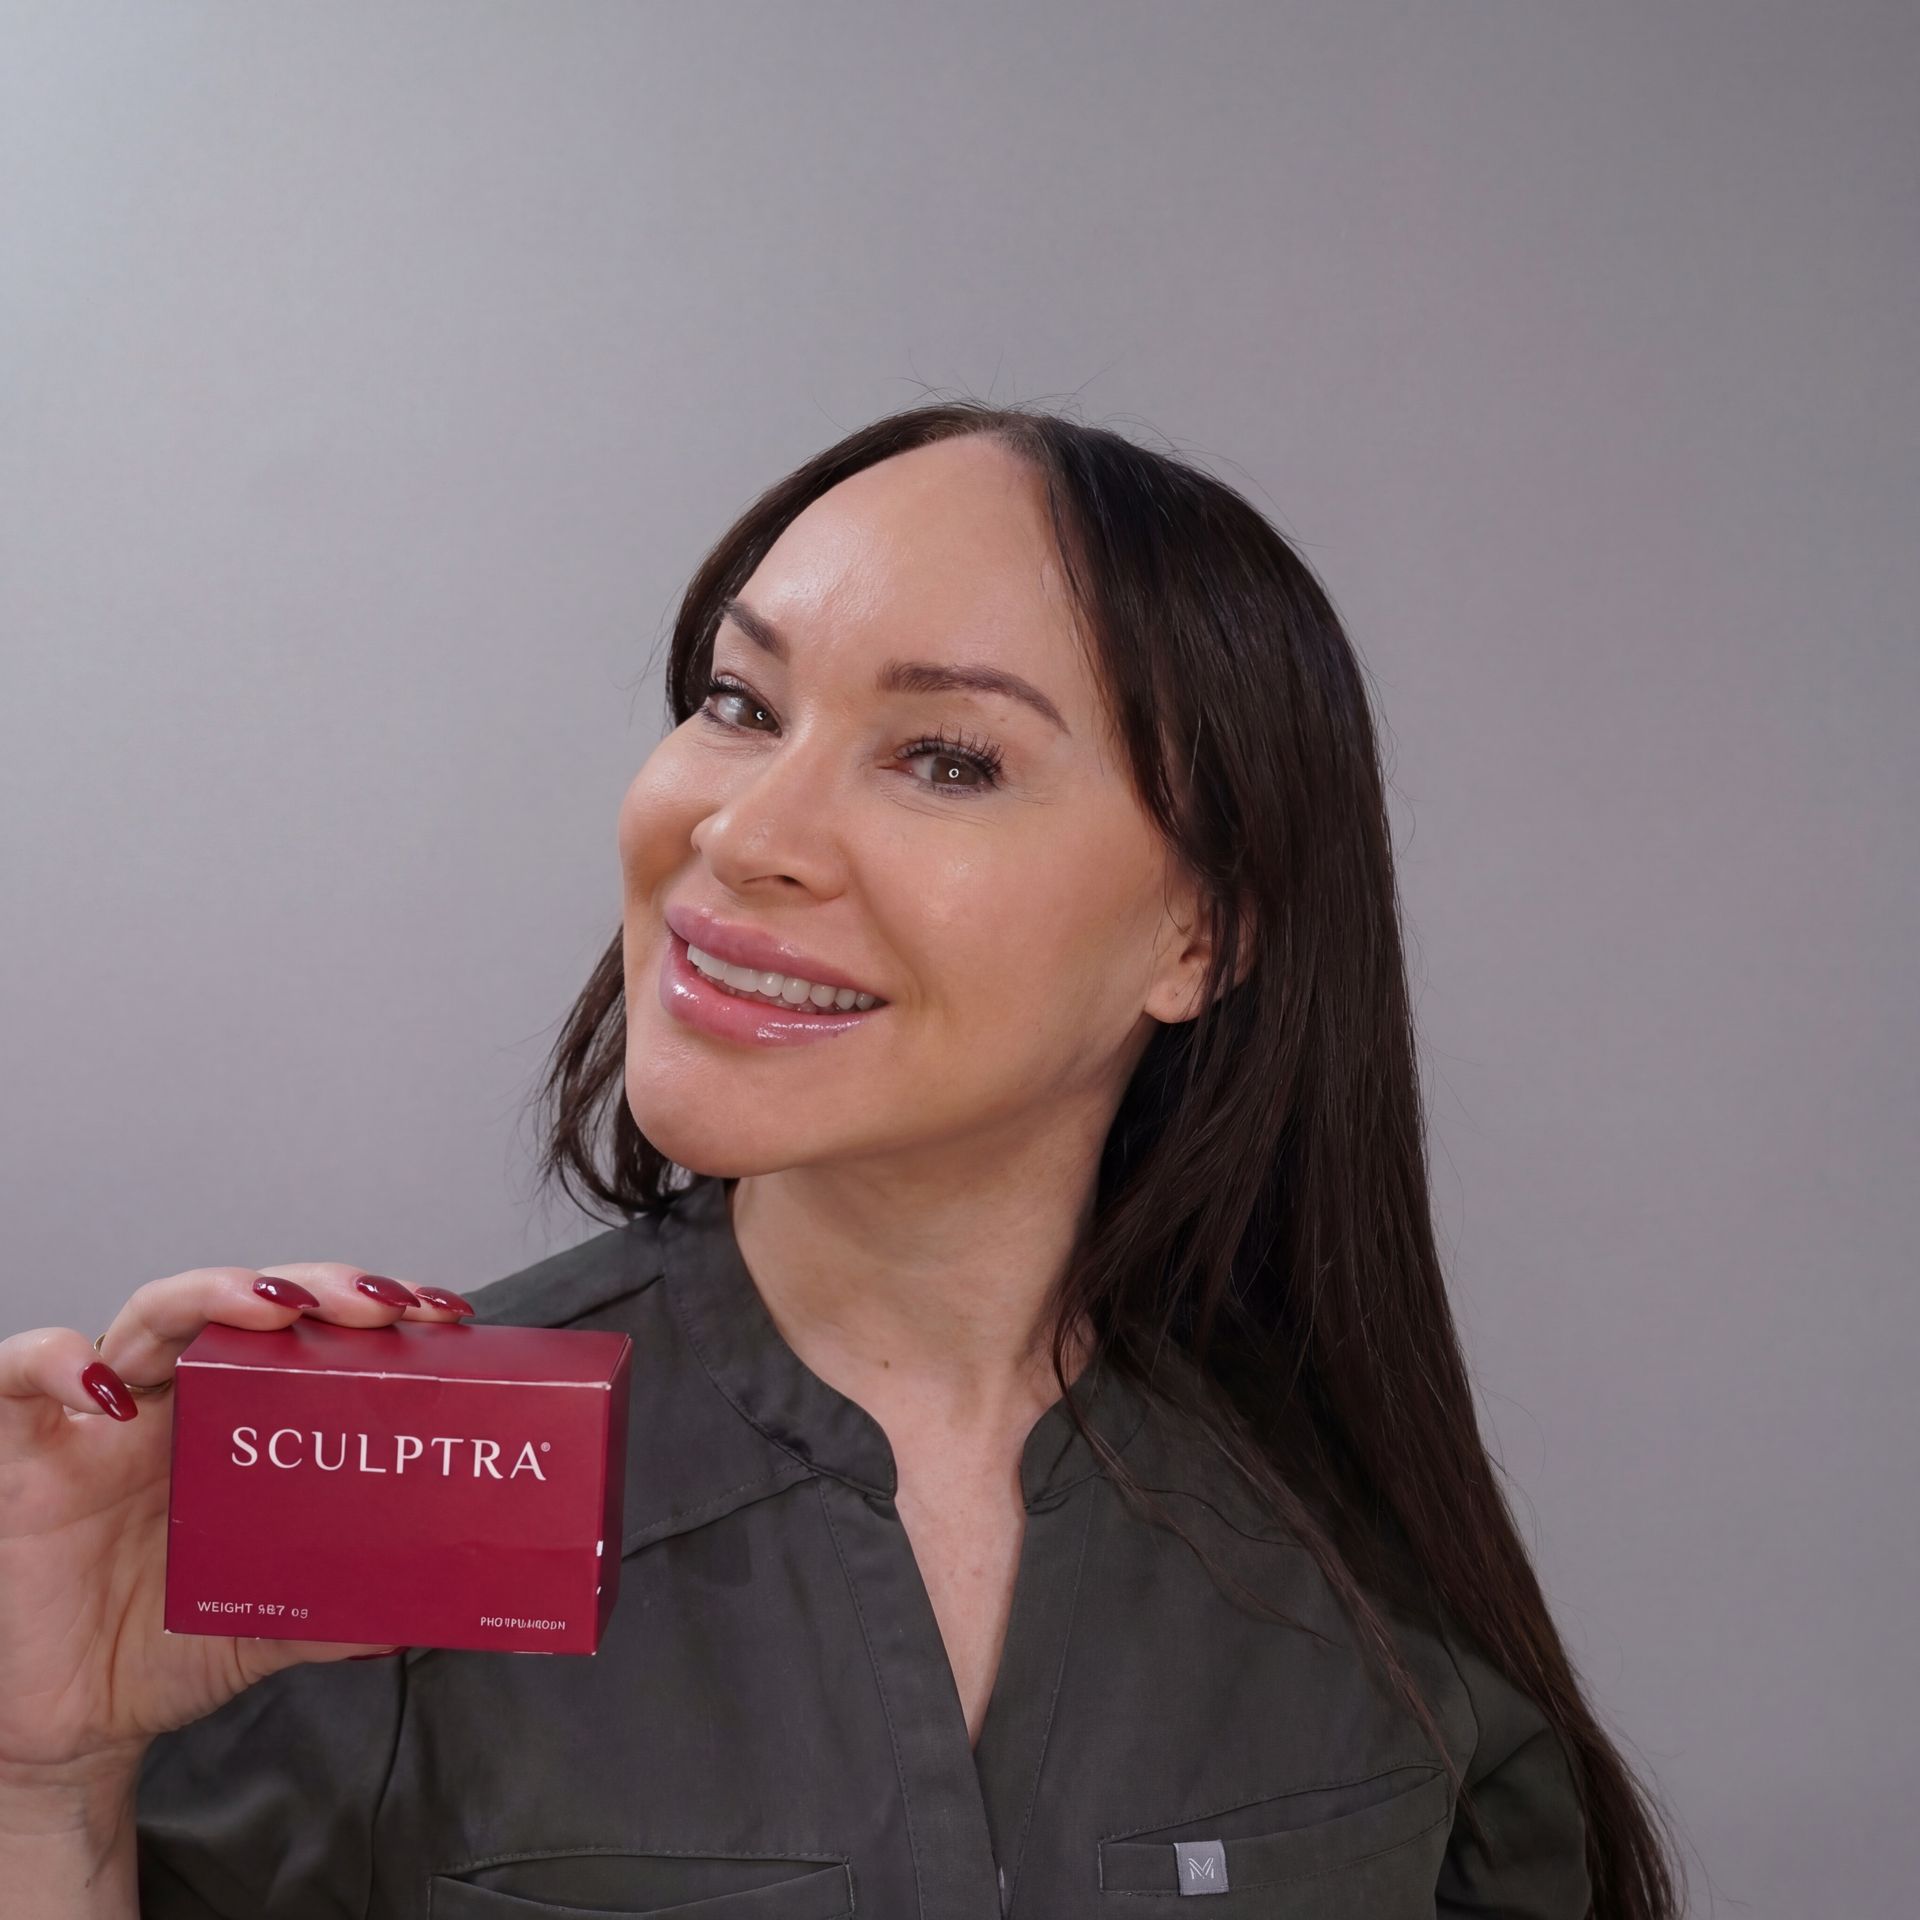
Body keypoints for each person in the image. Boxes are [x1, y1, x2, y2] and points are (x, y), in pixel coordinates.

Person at [1, 403, 1684, 1918]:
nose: (741, 831)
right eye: (740, 703)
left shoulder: (1346, 1553)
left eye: (946, 757)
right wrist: (39, 1782)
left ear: (1203, 929)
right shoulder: (363, 1511)